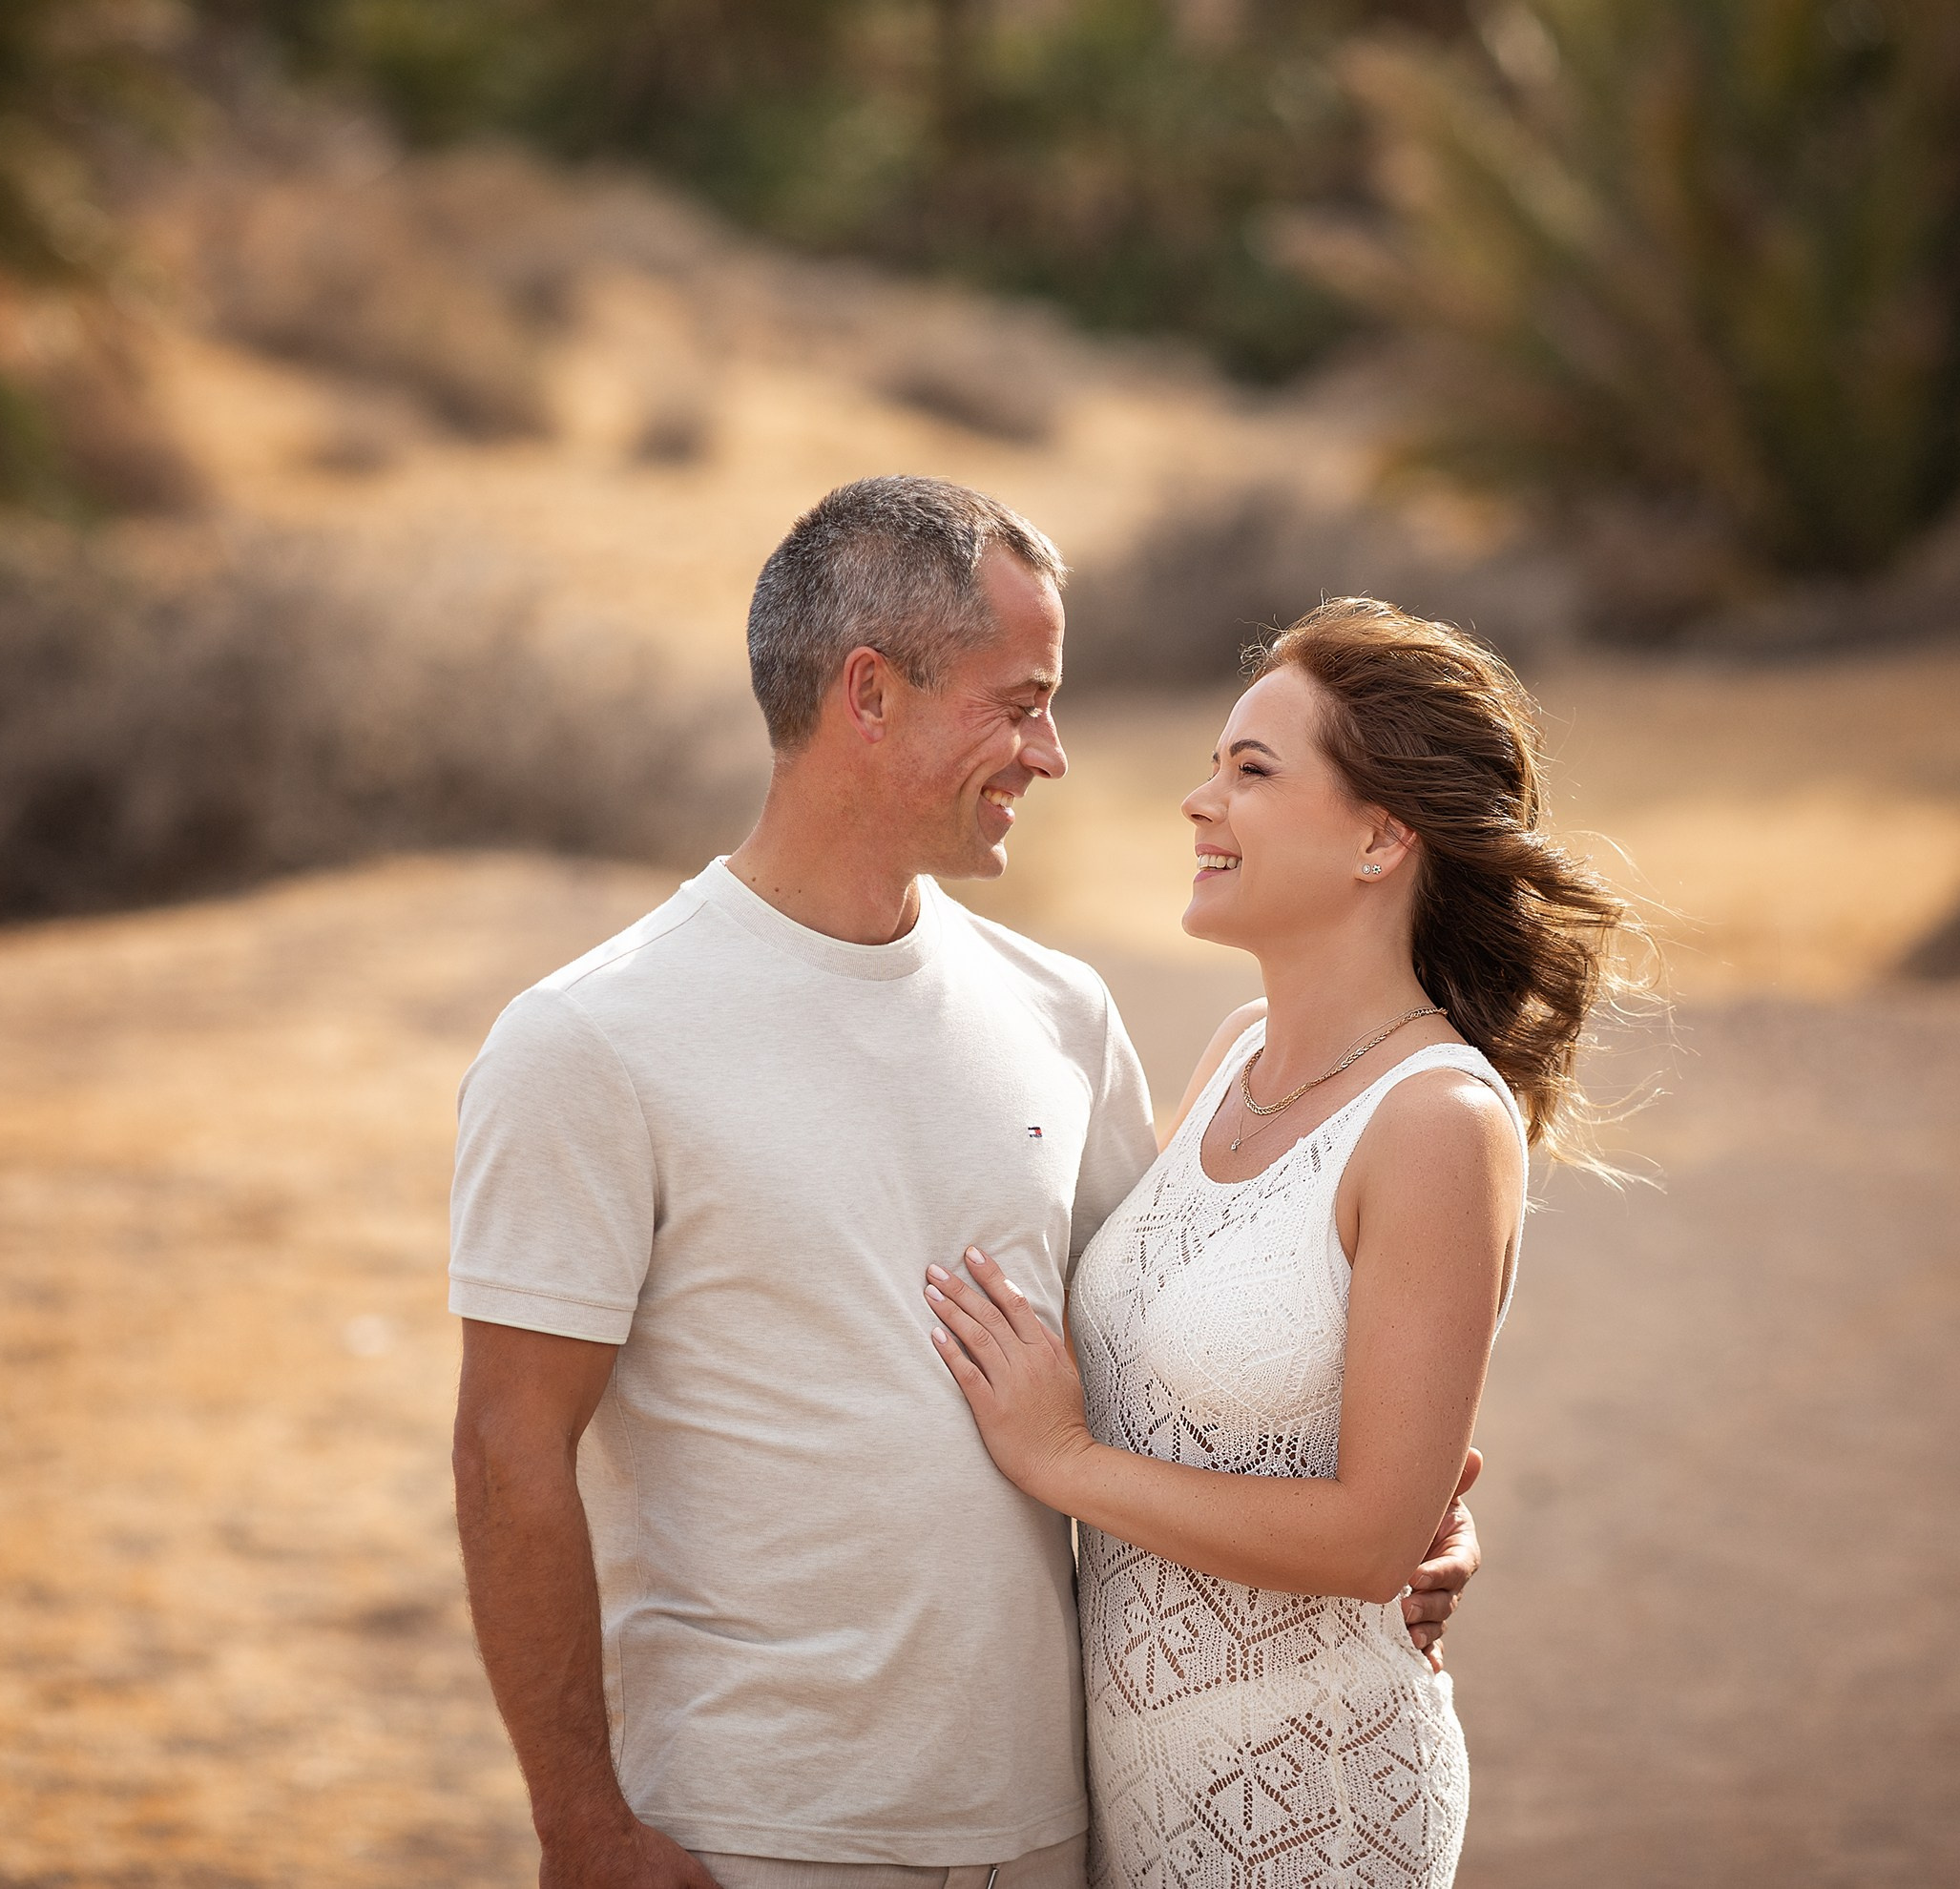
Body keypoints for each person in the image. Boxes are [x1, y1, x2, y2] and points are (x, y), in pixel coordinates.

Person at [447, 479, 1482, 1889]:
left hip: (1056, 1818)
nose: (1048, 754)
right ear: (866, 694)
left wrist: (1398, 1511)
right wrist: (580, 1826)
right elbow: (509, 1452)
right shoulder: (591, 1039)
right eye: (1018, 701)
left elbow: (1157, 1360)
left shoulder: (1061, 1012)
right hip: (760, 1831)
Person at [927, 597, 1636, 1886]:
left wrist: (1062, 1461)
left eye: (1250, 772)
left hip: (1310, 1792)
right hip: (1129, 1778)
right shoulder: (1230, 1060)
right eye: (1212, 767)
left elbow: (1373, 1540)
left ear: (1379, 837)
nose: (1199, 803)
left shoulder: (1435, 1118)